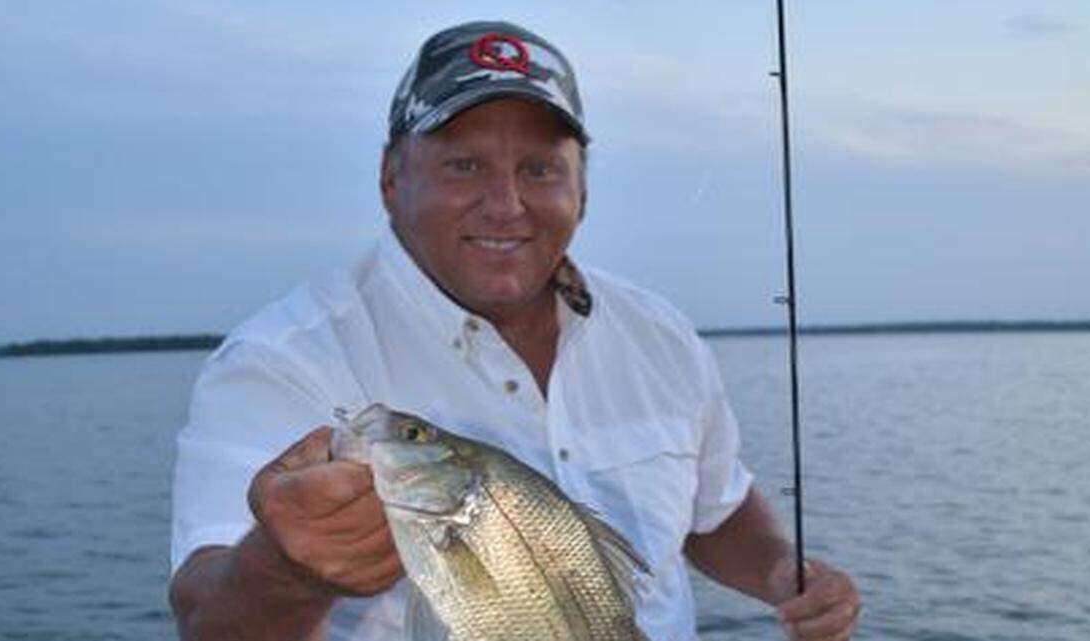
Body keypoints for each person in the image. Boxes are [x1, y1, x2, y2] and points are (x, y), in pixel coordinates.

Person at [168, 20, 860, 641]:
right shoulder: (281, 361)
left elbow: (716, 509)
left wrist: (782, 572)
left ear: (582, 189)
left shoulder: (659, 334)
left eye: (539, 169)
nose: (506, 205)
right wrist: (286, 568)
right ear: (390, 178)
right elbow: (206, 619)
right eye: (464, 165)